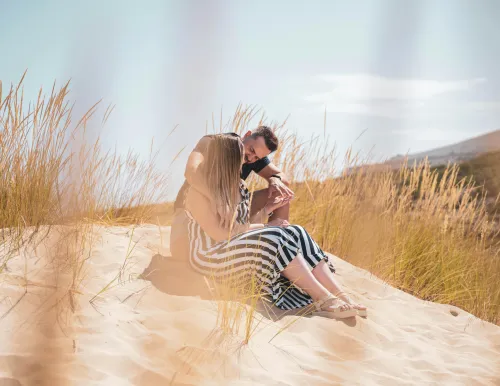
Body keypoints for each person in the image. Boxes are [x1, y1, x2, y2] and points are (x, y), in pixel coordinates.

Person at [182, 134, 367, 318]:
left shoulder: (238, 187)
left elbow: (242, 225)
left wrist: (268, 210)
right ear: (226, 159)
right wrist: (264, 227)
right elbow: (221, 234)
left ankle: (341, 295)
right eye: (241, 156)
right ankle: (323, 299)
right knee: (275, 236)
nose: (246, 162)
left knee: (295, 231)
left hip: (229, 247)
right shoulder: (199, 192)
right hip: (209, 254)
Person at [170, 126, 293, 259]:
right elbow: (191, 171)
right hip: (196, 211)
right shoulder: (213, 142)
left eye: (257, 157)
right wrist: (219, 200)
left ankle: (277, 253)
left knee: (280, 194)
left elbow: (282, 178)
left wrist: (274, 179)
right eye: (251, 150)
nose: (251, 158)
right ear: (247, 135)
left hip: (229, 213)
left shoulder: (254, 157)